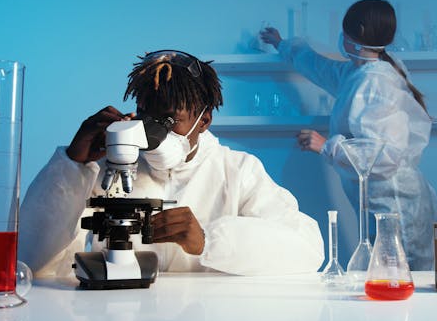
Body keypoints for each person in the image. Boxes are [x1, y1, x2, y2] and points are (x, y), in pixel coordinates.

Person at [18, 50, 324, 277]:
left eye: (170, 119)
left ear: (204, 120)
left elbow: (307, 249)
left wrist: (209, 241)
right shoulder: (112, 164)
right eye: (147, 115)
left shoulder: (238, 171)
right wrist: (73, 165)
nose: (155, 131)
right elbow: (30, 259)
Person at [260, 0, 437, 270]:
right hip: (382, 200)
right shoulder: (361, 72)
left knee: (404, 278)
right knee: (387, 276)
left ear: (358, 36)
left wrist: (327, 146)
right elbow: (321, 68)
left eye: (344, 33)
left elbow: (386, 154)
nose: (340, 38)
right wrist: (282, 44)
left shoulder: (376, 83)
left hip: (396, 202)